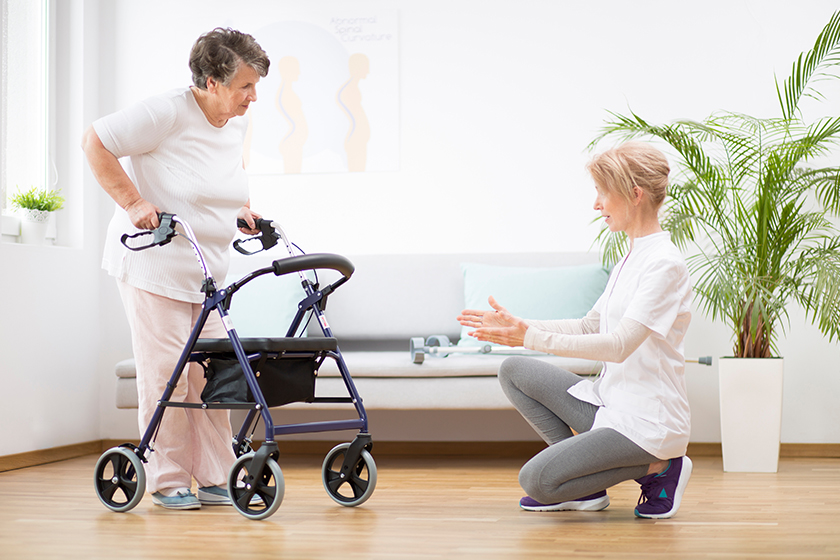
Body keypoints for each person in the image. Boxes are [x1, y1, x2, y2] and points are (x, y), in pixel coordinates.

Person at [82, 28, 270, 510]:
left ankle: (213, 474)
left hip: (207, 271)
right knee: (167, 373)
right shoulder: (166, 111)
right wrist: (134, 202)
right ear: (210, 81)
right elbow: (95, 141)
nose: (253, 96)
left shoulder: (235, 123)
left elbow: (226, 177)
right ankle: (167, 477)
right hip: (154, 262)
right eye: (244, 86)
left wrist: (243, 210)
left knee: (209, 375)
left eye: (255, 85)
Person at [457, 142, 693, 519]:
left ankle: (662, 466)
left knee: (537, 481)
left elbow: (618, 346)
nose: (596, 205)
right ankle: (588, 485)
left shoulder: (664, 265)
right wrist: (519, 325)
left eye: (603, 193)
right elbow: (589, 325)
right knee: (513, 370)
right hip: (610, 404)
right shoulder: (630, 257)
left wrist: (528, 338)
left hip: (647, 422)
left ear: (635, 195)